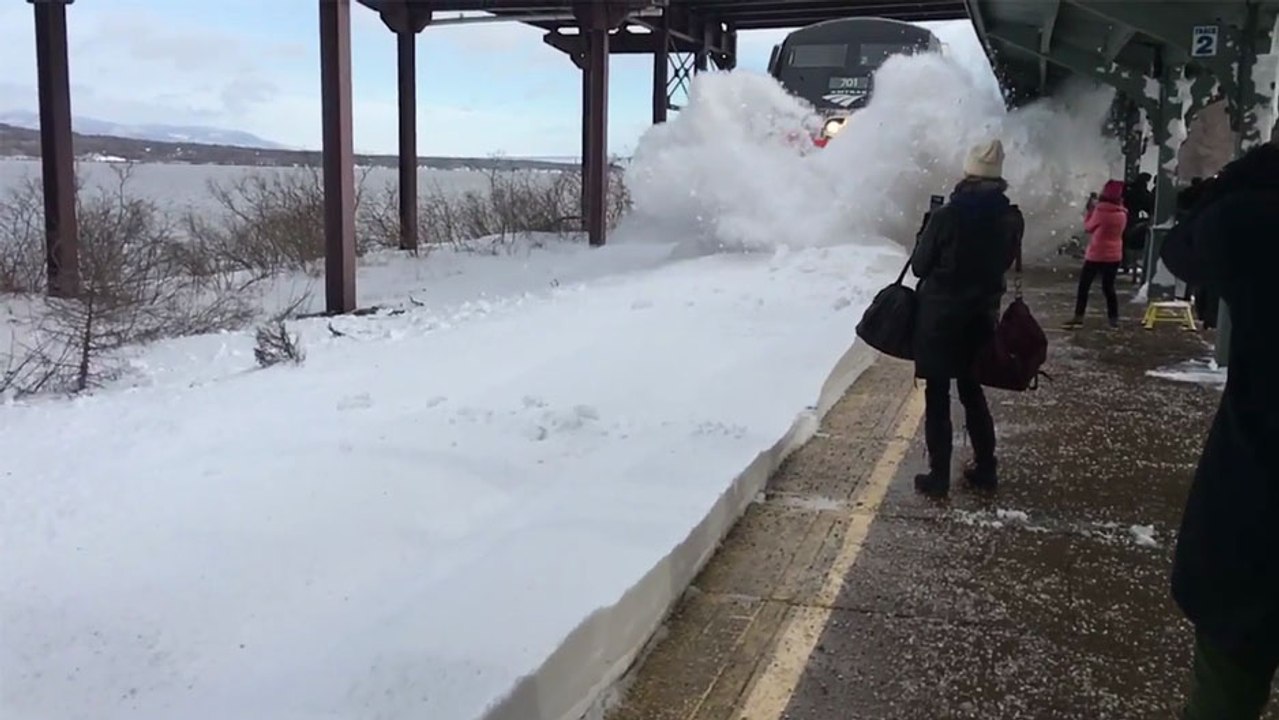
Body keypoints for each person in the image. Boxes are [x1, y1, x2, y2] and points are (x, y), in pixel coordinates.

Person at [1160, 132, 1279, 719]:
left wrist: (1248, 173)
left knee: (1223, 698)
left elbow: (1181, 248)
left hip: (1256, 519)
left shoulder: (1255, 221)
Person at [909, 139, 1024, 497]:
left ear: (967, 174)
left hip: (940, 319)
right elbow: (1003, 262)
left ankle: (938, 475)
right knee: (972, 391)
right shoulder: (1011, 218)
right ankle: (986, 467)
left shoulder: (947, 216)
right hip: (981, 316)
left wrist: (925, 230)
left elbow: (919, 266)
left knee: (938, 394)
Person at [1065, 180, 1127, 329]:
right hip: (1114, 255)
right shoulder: (1122, 213)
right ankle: (1113, 318)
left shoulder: (1100, 211)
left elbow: (1088, 227)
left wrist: (1089, 212)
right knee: (1108, 287)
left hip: (1096, 254)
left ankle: (1078, 316)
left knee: (1084, 286)